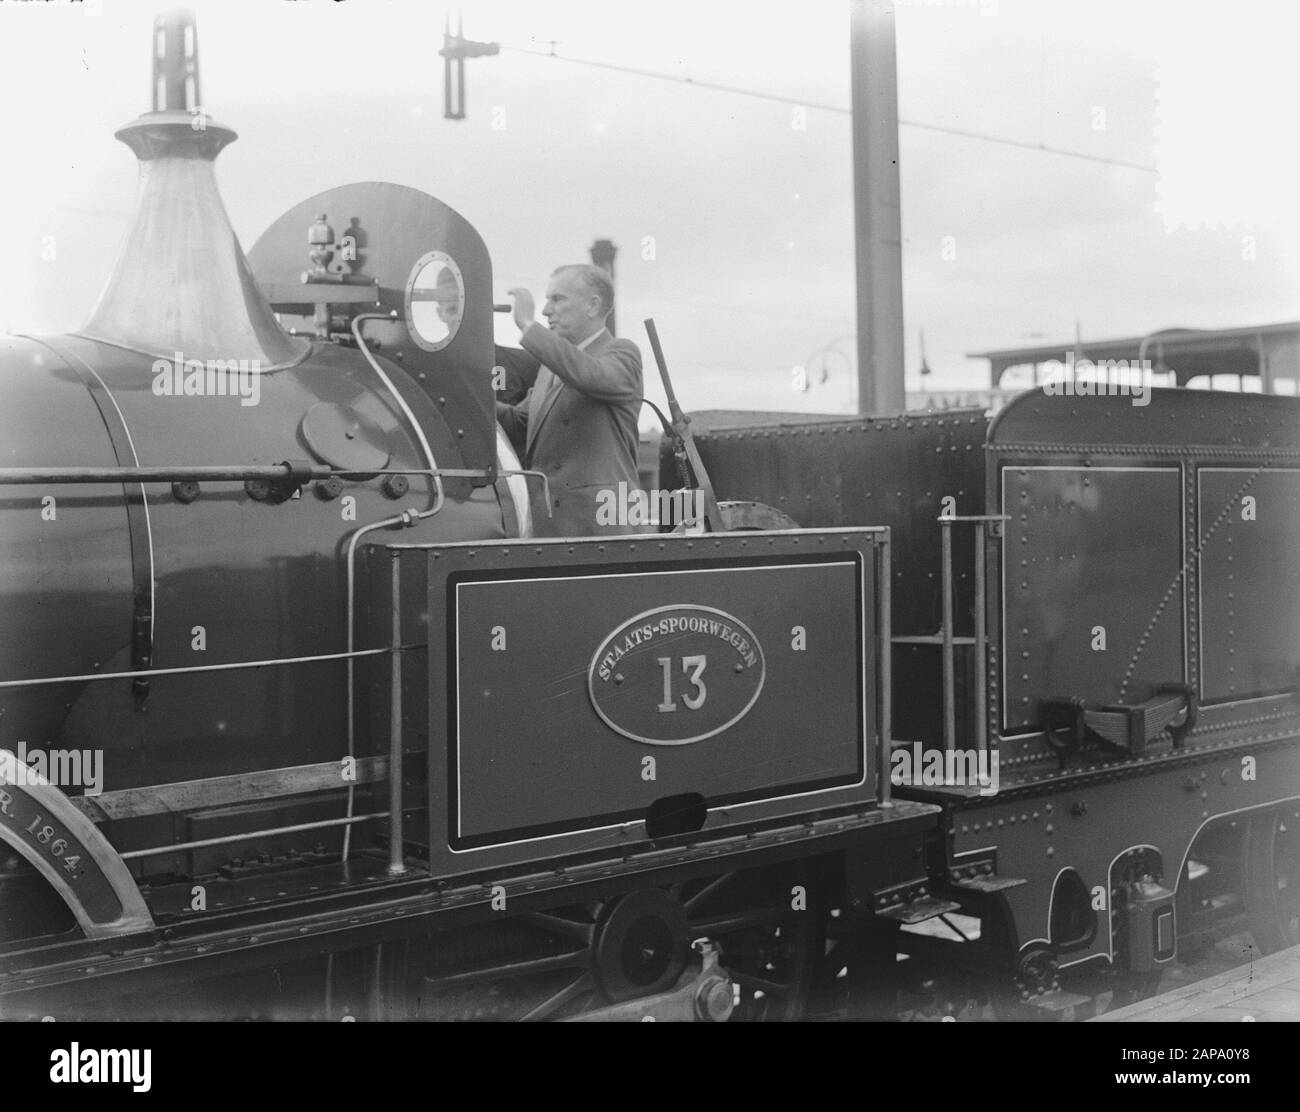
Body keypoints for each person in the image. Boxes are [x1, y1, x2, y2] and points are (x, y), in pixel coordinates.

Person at [496, 264, 648, 537]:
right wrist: (470, 394)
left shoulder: (622, 353)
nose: (545, 311)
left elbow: (592, 376)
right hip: (551, 525)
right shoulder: (550, 367)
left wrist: (529, 327)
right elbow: (520, 423)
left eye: (558, 299)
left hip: (602, 526)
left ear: (592, 306)